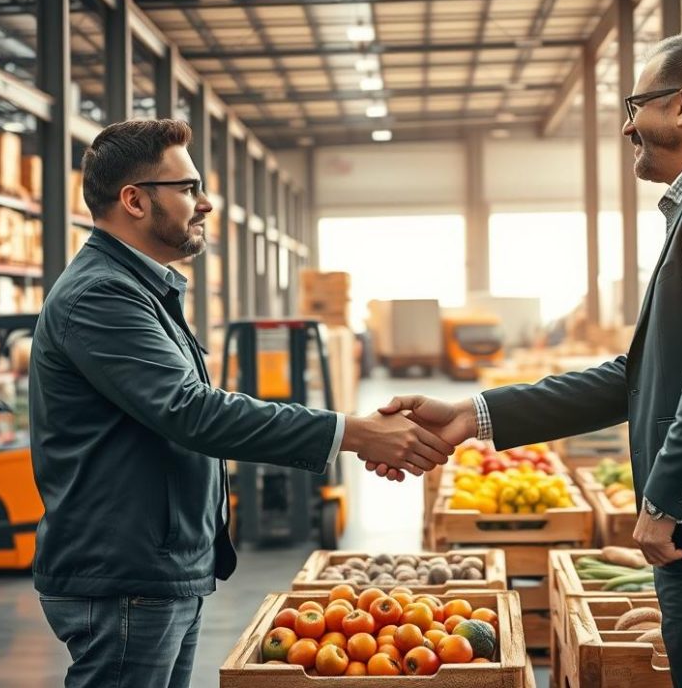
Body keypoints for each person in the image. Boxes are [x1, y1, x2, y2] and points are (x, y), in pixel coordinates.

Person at [374, 34, 682, 688]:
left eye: (635, 104)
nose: (625, 124)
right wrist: (470, 415)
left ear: (681, 105)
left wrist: (665, 501)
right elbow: (639, 375)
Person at [29, 118, 453, 688]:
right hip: (125, 574)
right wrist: (354, 432)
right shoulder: (102, 294)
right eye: (187, 188)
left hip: (155, 565)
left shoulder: (141, 288)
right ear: (133, 200)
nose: (204, 204)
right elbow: (192, 412)